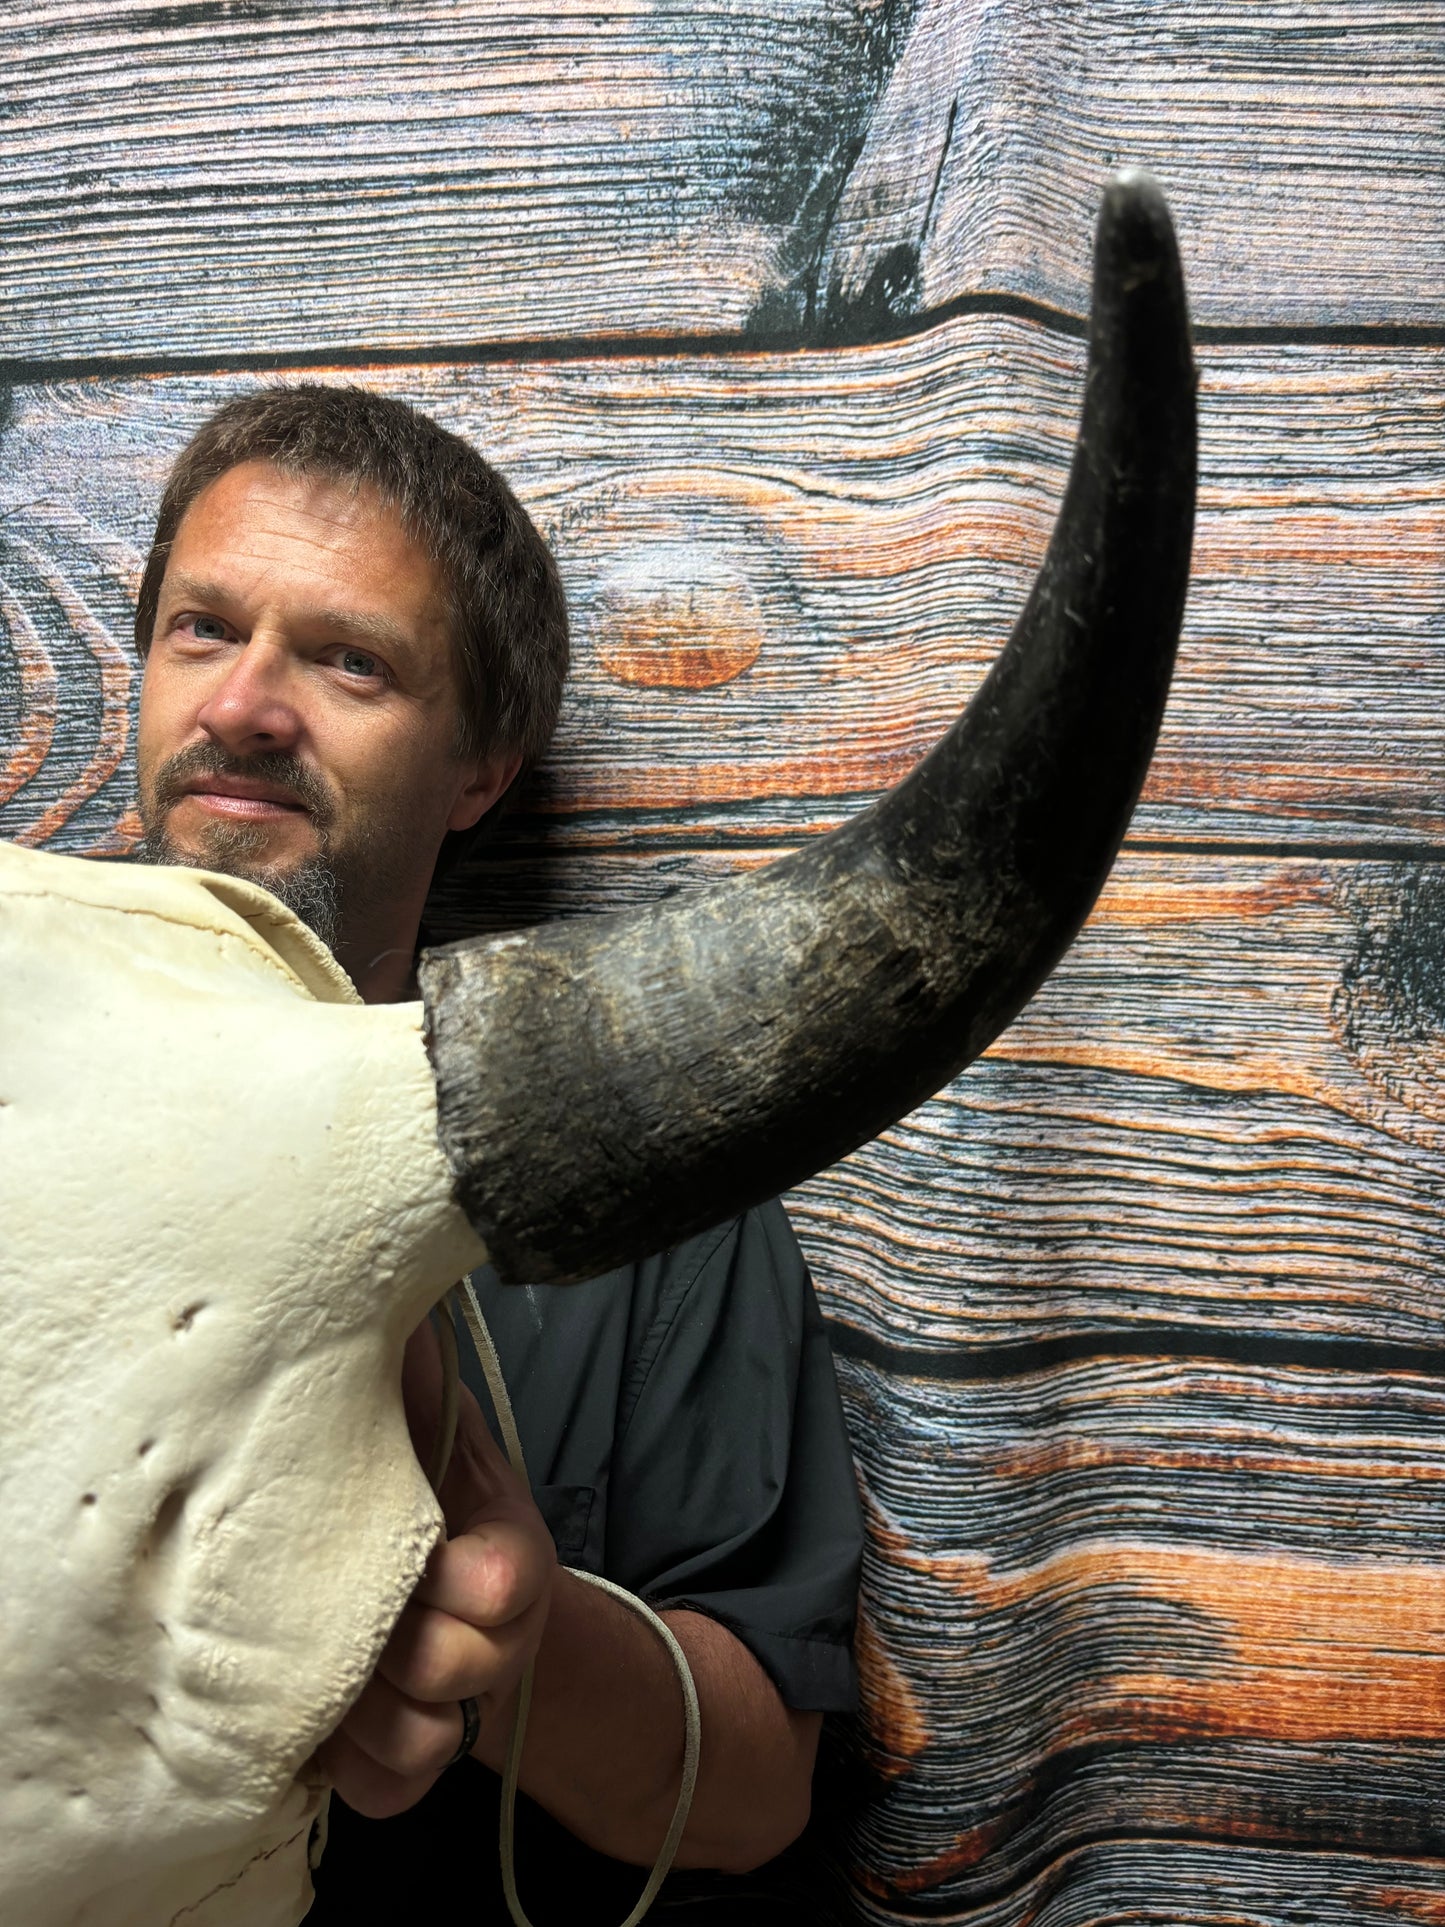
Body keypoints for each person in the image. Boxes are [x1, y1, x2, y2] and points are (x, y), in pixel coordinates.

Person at [128, 382, 864, 1920]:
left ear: (481, 766)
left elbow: (753, 1799)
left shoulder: (650, 1199)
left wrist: (512, 1648)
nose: (245, 703)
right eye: (202, 629)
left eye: (349, 661)